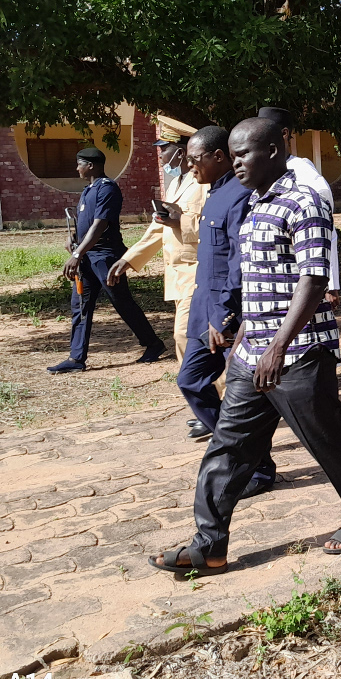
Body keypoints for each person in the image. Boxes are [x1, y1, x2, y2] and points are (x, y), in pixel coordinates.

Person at [150, 116, 341, 577]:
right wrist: (241, 328)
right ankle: (209, 544)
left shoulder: (305, 203)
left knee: (327, 442)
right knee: (228, 446)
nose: (236, 163)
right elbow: (256, 278)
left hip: (297, 354)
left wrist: (279, 345)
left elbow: (313, 278)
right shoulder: (255, 203)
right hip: (251, 351)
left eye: (244, 154)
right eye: (233, 155)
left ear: (274, 151)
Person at [48, 148, 165, 373]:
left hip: (105, 256)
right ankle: (76, 358)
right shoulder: (88, 190)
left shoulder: (107, 189)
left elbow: (100, 225)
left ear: (91, 165)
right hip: (87, 257)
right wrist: (72, 238)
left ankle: (153, 344)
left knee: (121, 301)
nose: (77, 168)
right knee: (80, 306)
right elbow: (85, 223)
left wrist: (76, 254)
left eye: (79, 164)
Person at [175, 126, 253, 442]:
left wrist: (224, 315)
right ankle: (236, 448)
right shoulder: (216, 193)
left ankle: (252, 464)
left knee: (247, 395)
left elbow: (239, 264)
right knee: (190, 381)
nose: (189, 166)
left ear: (218, 156)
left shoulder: (240, 196)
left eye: (195, 159)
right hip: (204, 310)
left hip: (227, 316)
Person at [107, 116, 205, 365]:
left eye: (164, 149)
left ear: (180, 153)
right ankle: (207, 396)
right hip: (177, 275)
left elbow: (215, 227)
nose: (160, 156)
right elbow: (157, 228)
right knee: (191, 339)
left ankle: (214, 397)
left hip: (198, 273)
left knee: (185, 336)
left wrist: (180, 222)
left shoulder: (205, 184)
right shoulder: (176, 185)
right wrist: (129, 259)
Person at [258, 107, 341, 309]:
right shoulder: (258, 175)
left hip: (301, 279)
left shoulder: (304, 175)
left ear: (284, 134)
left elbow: (324, 230)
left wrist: (331, 283)